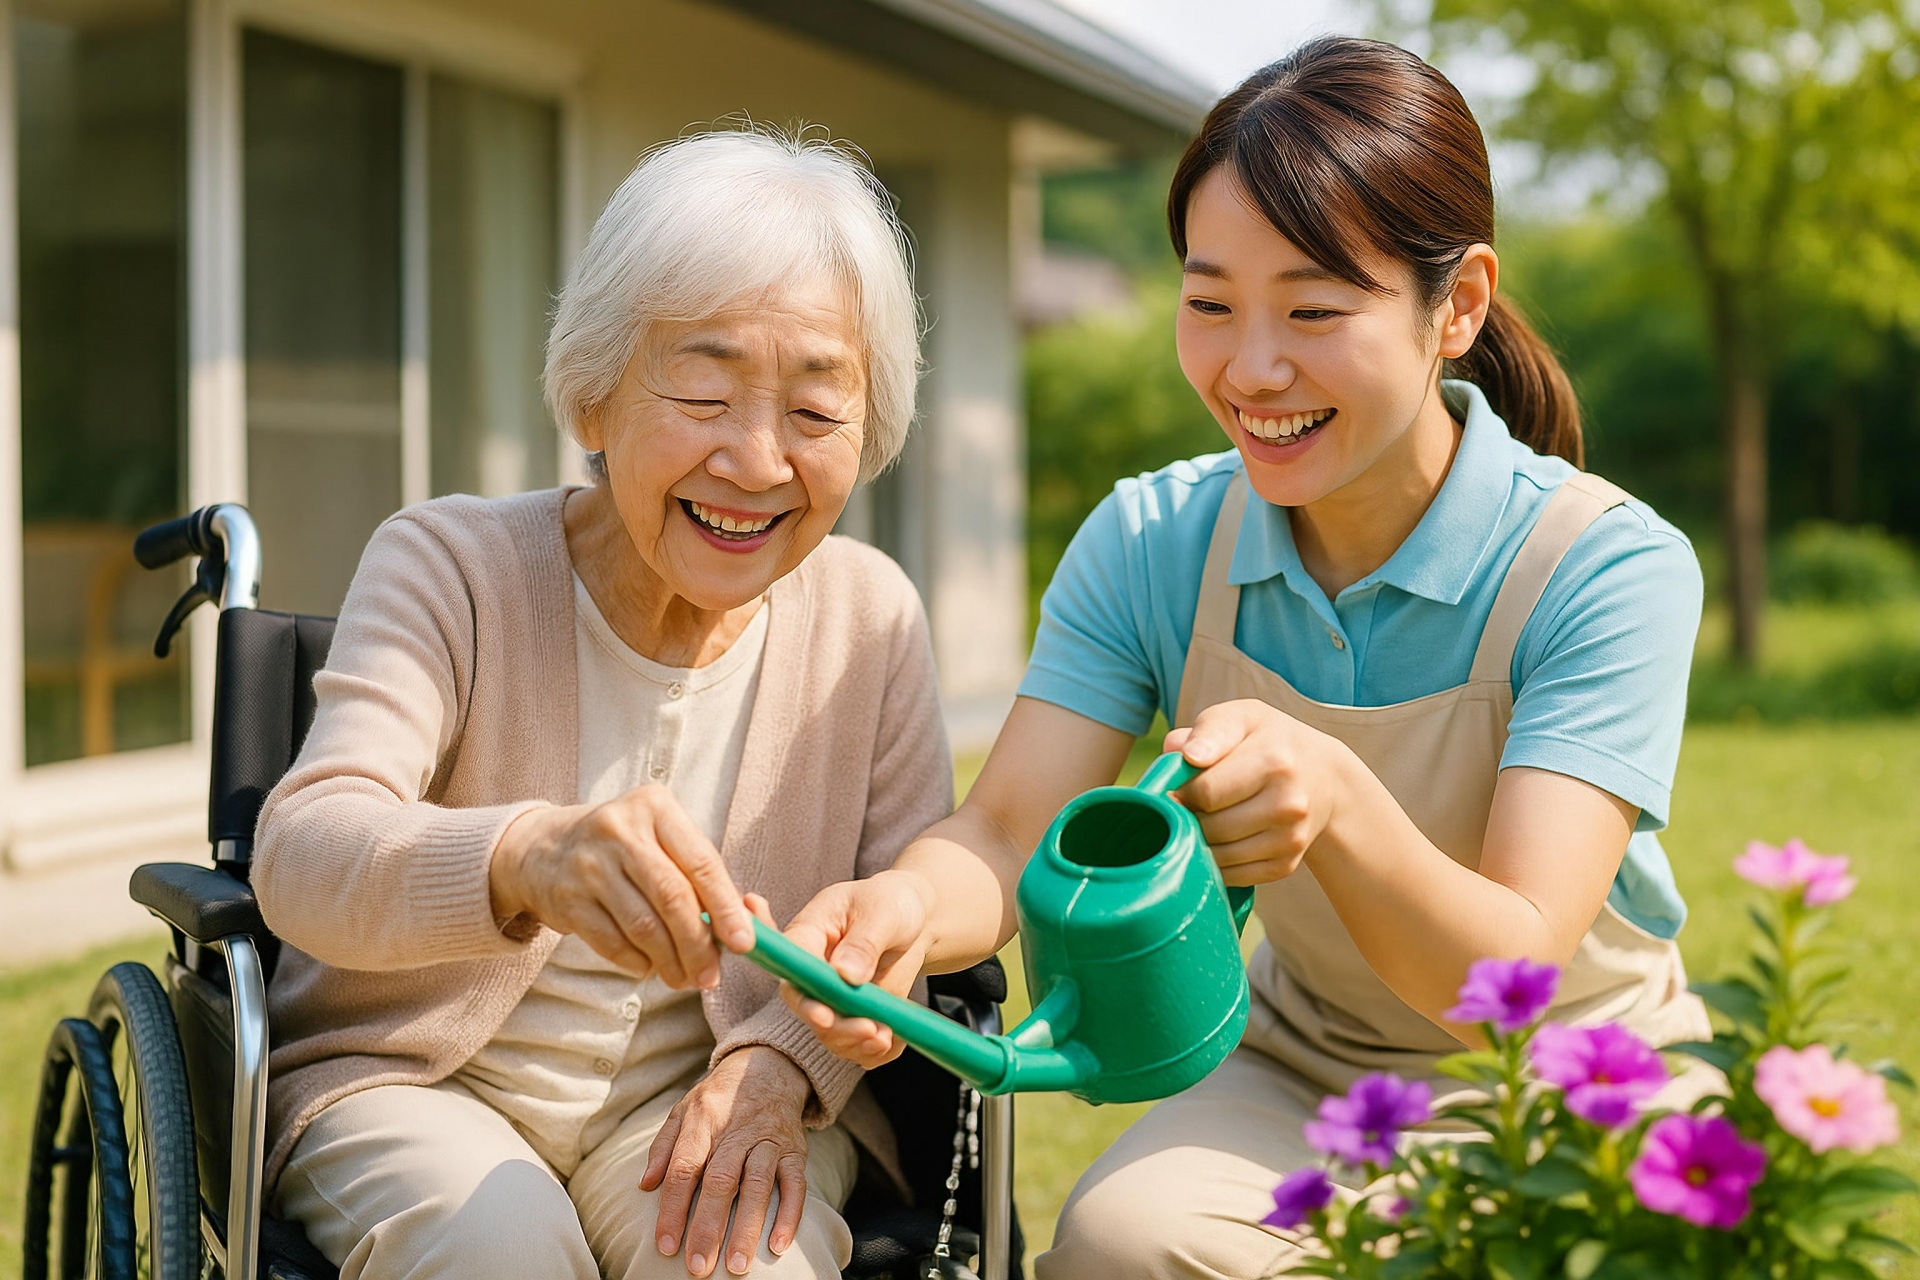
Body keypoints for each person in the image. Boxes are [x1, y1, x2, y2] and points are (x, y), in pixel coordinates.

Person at [779, 37, 1714, 1278]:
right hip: (1304, 1071)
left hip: (1573, 1080)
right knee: (1119, 1241)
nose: (1252, 368)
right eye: (1210, 301)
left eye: (1315, 310)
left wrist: (1330, 795)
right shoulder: (1155, 540)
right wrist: (902, 908)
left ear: (1462, 304)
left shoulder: (1604, 567)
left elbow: (1517, 979)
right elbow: (1006, 829)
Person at [250, 127, 947, 1280]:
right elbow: (305, 851)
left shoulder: (871, 618)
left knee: (742, 1265)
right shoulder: (451, 565)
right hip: (422, 1081)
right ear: (595, 392)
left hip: (721, 1093)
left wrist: (779, 1057)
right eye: (705, 389)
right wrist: (525, 856)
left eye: (816, 414)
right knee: (497, 1251)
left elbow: (901, 923)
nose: (758, 459)